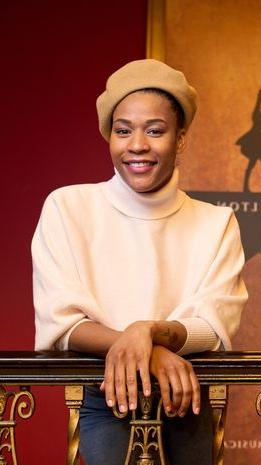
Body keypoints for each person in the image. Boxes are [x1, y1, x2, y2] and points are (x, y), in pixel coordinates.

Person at [32, 59, 248, 465]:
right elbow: (61, 322)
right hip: (104, 396)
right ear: (109, 137)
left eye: (155, 130)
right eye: (123, 130)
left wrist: (145, 331)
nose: (137, 145)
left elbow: (215, 328)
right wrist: (145, 348)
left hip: (188, 399)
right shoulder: (67, 206)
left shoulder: (217, 222)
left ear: (180, 139)